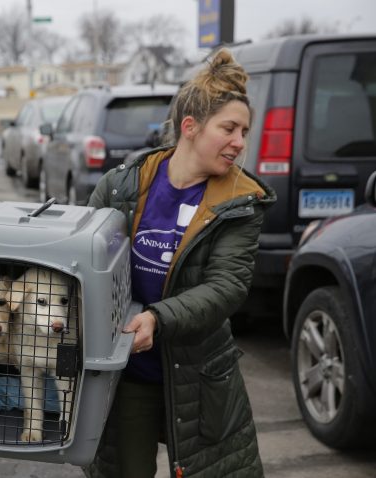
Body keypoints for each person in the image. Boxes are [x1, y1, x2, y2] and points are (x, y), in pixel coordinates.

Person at [84, 48, 276, 478]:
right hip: (129, 372)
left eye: (244, 131)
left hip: (200, 376)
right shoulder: (123, 185)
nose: (240, 142)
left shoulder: (239, 201)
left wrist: (158, 318)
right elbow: (82, 256)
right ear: (190, 127)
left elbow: (227, 285)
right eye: (229, 128)